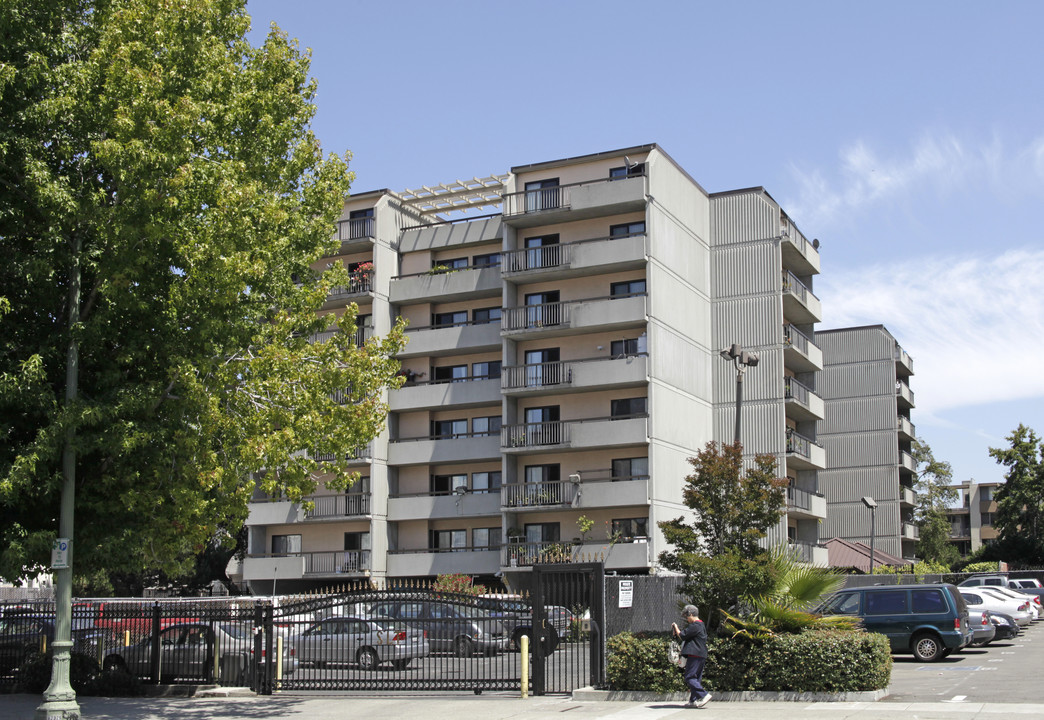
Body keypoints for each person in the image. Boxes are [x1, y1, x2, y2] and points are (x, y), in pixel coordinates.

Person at [671, 604, 711, 709]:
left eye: (687, 616)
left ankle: (703, 695)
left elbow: (683, 635)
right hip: (701, 654)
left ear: (691, 614)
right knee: (696, 678)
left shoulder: (696, 625)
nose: (687, 619)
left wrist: (676, 627)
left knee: (689, 676)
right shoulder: (701, 625)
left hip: (695, 654)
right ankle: (693, 700)